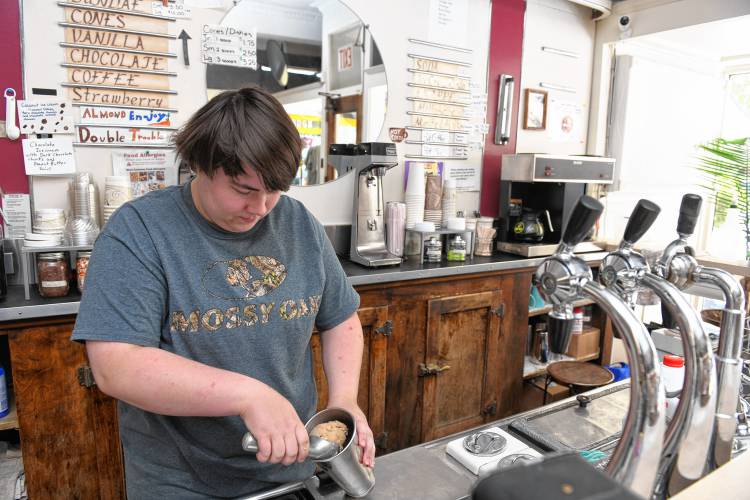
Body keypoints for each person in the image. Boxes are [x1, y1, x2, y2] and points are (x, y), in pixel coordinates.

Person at [72, 86, 375, 499]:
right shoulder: (138, 230)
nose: (262, 206)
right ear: (199, 164)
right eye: (244, 189)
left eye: (275, 190)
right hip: (182, 480)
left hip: (291, 467)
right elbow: (116, 366)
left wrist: (344, 403)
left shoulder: (298, 222)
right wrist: (247, 395)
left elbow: (340, 318)